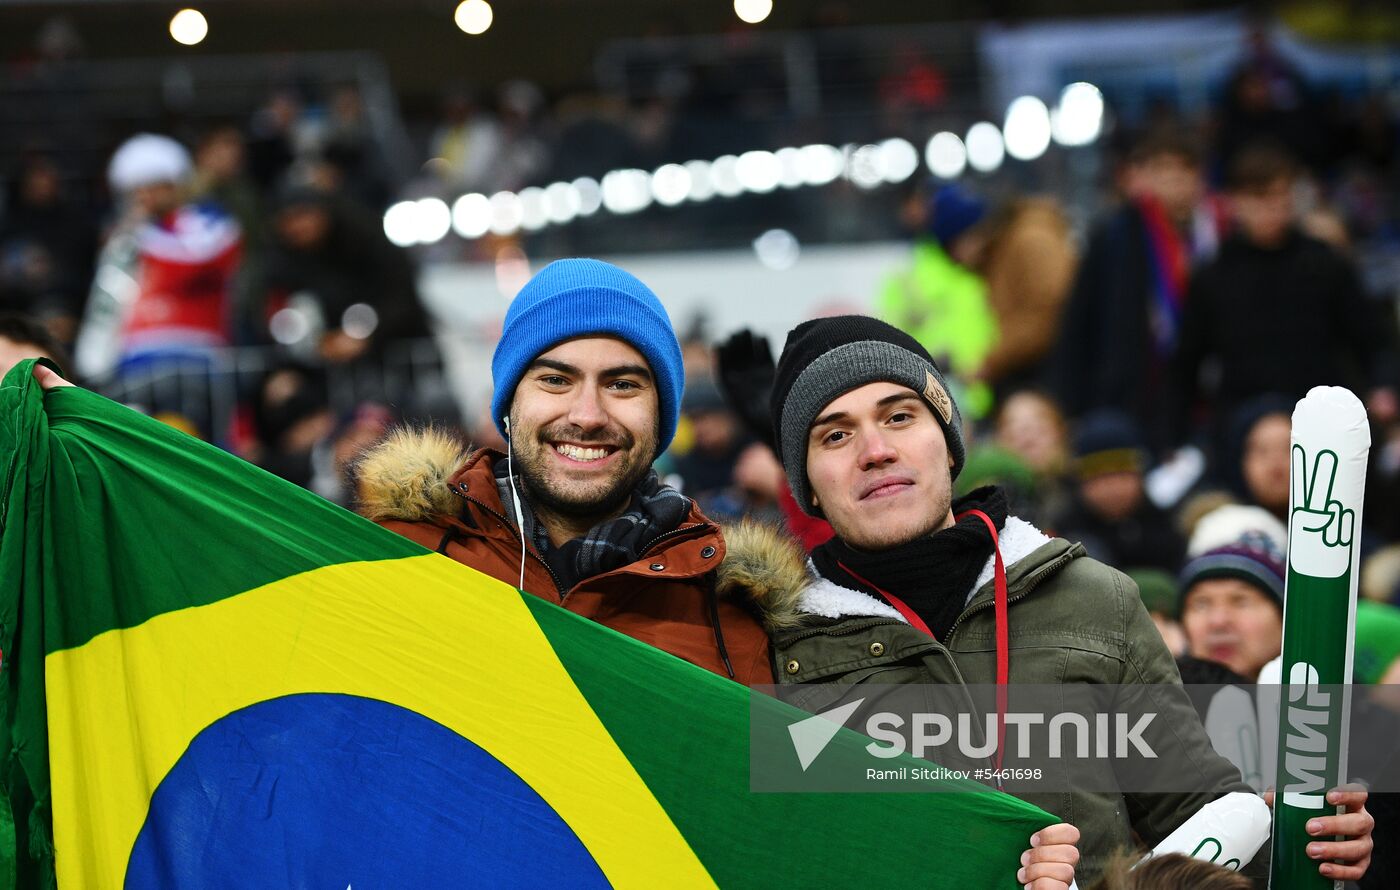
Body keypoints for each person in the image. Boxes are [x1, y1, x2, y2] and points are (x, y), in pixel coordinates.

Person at [760, 315, 1373, 884]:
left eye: (899, 416)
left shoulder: (1091, 601)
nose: (875, 451)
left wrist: (1308, 848)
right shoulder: (775, 644)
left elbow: (1200, 822)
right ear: (807, 484)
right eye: (835, 435)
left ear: (947, 441)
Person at [354, 259, 790, 685]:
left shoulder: (732, 616)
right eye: (556, 380)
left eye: (622, 384)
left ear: (660, 419)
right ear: (509, 405)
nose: (587, 416)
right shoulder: (397, 552)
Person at [1169, 143, 1399, 456]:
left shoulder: (1324, 263)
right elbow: (1186, 364)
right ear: (1234, 201)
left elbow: (1372, 339)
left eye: (1283, 194)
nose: (1275, 207)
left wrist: (1383, 387)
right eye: (1261, 196)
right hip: (1243, 431)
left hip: (1323, 426)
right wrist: (1176, 439)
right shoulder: (1214, 274)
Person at [1050, 134, 1221, 454]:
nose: (1173, 181)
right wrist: (1075, 401)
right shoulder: (1116, 235)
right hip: (1133, 389)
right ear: (1146, 177)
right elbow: (1082, 319)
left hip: (1203, 389)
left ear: (1200, 178)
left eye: (1183, 170)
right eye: (1163, 170)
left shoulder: (1217, 233)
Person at [1055, 411, 1185, 574]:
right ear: (1081, 482)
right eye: (1099, 476)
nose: (1112, 486)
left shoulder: (1169, 530)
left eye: (1122, 473)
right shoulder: (1063, 536)